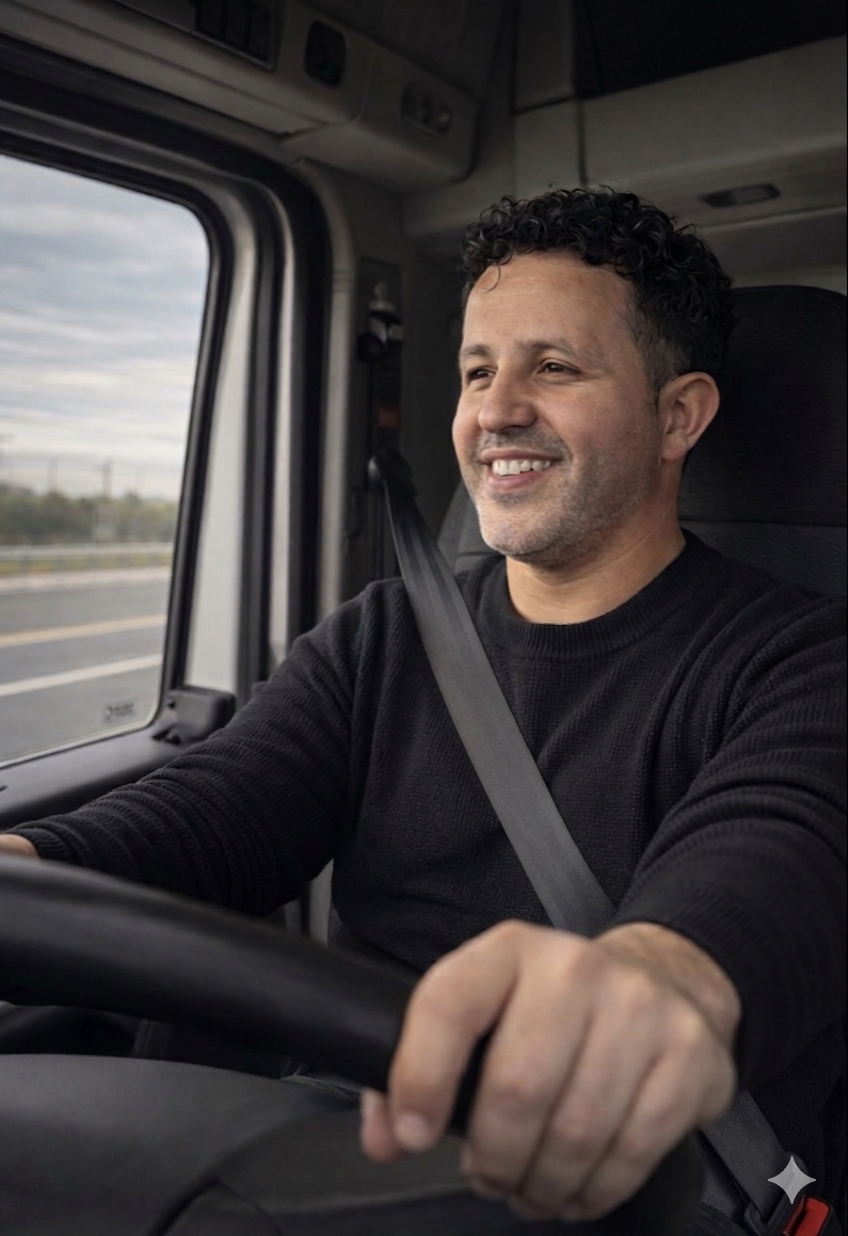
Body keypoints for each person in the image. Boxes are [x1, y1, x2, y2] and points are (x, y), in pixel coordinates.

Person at [1, 190, 844, 1233]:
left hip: (627, 1182)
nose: (494, 411)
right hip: (337, 1141)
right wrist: (24, 865)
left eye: (554, 367)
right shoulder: (382, 637)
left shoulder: (803, 662)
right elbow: (211, 812)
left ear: (677, 416)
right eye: (477, 370)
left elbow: (778, 855)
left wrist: (651, 983)